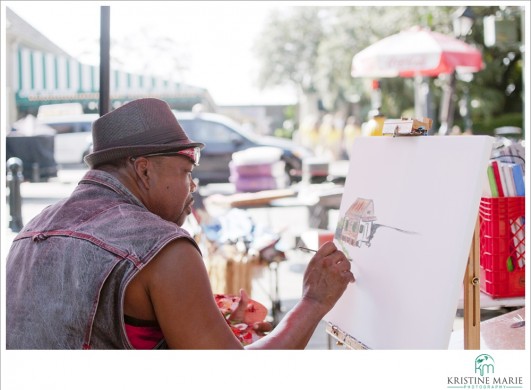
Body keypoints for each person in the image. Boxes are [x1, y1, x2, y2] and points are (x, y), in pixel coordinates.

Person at [6, 98, 355, 350]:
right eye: (186, 172)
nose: (193, 187)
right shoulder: (163, 245)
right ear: (143, 169)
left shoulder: (30, 231)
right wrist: (313, 301)